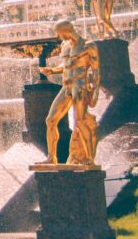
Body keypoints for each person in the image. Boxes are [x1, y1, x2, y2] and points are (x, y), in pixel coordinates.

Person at [35, 19, 101, 167]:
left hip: (80, 86)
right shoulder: (64, 46)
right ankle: (52, 157)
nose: (59, 37)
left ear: (66, 31)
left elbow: (96, 71)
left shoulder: (88, 45)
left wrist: (95, 92)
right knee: (50, 120)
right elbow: (66, 65)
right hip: (66, 87)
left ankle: (89, 159)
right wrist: (52, 70)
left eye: (60, 34)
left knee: (80, 123)